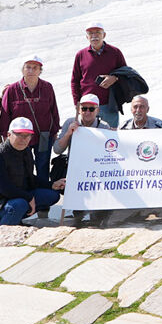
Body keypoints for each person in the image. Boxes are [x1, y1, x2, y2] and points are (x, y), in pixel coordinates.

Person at [0, 118, 63, 226]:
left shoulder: (26, 151)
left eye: (27, 135)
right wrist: (29, 198)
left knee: (52, 195)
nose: (23, 139)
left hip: (15, 197)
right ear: (9, 134)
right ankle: (6, 228)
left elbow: (29, 177)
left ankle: (16, 218)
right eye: (19, 134)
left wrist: (52, 184)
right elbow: (5, 189)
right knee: (20, 204)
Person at [0, 55, 60, 193]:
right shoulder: (12, 89)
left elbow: (53, 110)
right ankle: (26, 197)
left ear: (40, 70)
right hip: (20, 137)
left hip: (43, 135)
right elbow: (5, 113)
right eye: (28, 67)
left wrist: (54, 130)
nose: (31, 70)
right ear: (22, 70)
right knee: (22, 167)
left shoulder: (47, 87)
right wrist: (5, 135)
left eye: (35, 67)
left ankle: (44, 200)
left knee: (43, 166)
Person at [54, 94, 114, 226]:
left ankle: (99, 212)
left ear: (97, 110)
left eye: (91, 109)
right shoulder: (70, 122)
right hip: (74, 167)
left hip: (95, 169)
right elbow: (57, 149)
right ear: (79, 109)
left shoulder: (103, 126)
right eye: (84, 108)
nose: (87, 112)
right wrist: (69, 133)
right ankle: (78, 210)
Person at [70, 22, 127, 128]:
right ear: (87, 37)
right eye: (90, 33)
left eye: (97, 32)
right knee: (88, 137)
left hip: (109, 105)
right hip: (87, 107)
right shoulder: (80, 55)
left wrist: (115, 78)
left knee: (110, 139)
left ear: (104, 35)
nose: (94, 36)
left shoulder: (115, 52)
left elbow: (126, 74)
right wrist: (76, 102)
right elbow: (75, 80)